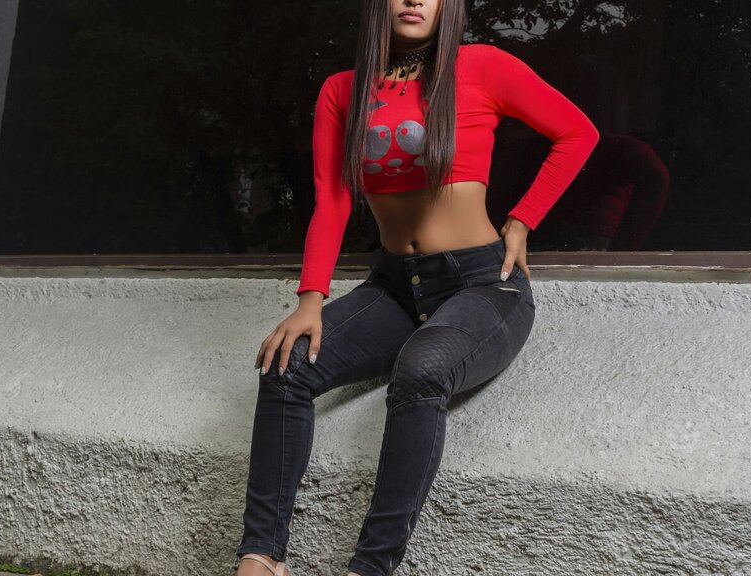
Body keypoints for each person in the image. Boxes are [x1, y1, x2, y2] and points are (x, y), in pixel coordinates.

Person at [234, 0, 599, 574]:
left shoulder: (483, 67)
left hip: (483, 285)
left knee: (422, 369)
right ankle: (260, 558)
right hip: (395, 288)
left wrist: (522, 219)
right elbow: (333, 200)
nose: (413, 0)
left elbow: (577, 132)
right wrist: (311, 300)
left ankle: (370, 567)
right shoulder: (342, 90)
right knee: (288, 363)